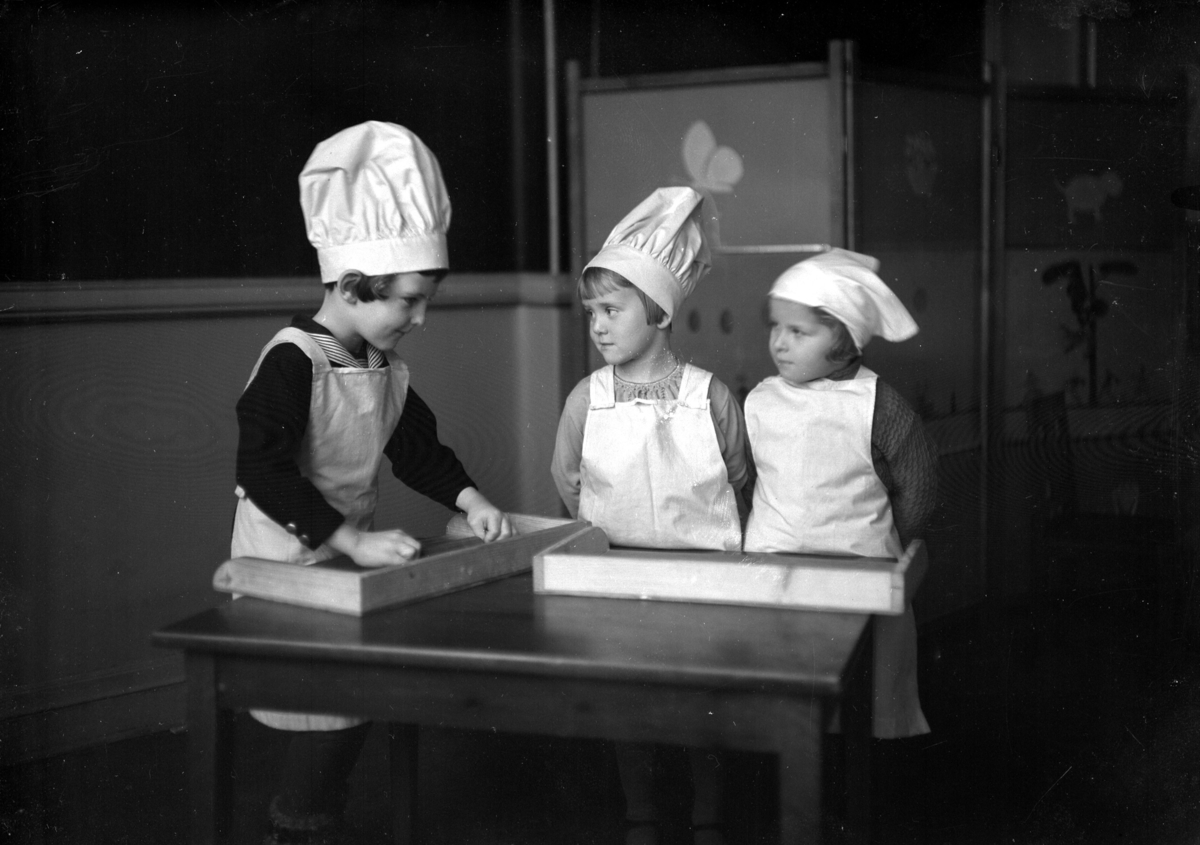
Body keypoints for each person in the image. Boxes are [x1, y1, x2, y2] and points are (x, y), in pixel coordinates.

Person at [232, 121, 512, 845]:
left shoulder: (382, 366)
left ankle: (313, 814)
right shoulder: (294, 360)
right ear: (355, 284)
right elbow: (260, 469)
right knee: (323, 709)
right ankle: (298, 822)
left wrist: (471, 498)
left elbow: (416, 449)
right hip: (286, 561)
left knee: (350, 702)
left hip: (344, 560)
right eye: (409, 301)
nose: (420, 319)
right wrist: (351, 541)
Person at [551, 187, 749, 845]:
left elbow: (738, 482)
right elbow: (569, 484)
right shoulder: (587, 400)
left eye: (612, 310)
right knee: (628, 701)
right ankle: (641, 811)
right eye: (591, 313)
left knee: (702, 704)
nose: (598, 326)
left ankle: (709, 812)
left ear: (659, 311)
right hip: (619, 582)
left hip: (704, 586)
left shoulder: (710, 397)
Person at [743, 247, 938, 742]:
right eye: (776, 327)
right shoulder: (761, 399)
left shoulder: (879, 405)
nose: (780, 342)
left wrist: (888, 543)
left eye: (799, 332)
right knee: (787, 702)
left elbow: (917, 488)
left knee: (861, 696)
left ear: (846, 339)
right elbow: (747, 478)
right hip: (774, 572)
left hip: (861, 576)